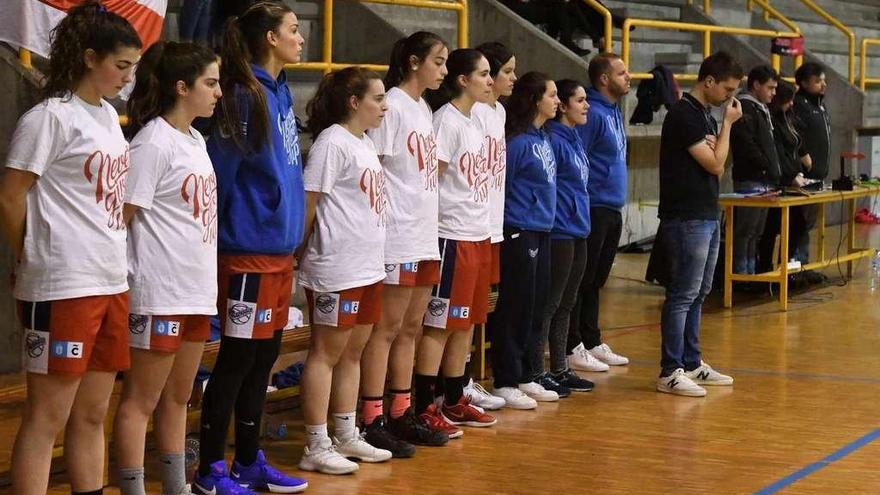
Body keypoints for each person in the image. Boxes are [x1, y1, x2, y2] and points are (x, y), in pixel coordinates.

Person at [0, 4, 140, 494]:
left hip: (109, 280)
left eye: (133, 68)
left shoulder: (106, 116)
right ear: (87, 58)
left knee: (93, 413)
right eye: (120, 66)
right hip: (62, 285)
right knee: (46, 417)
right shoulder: (49, 117)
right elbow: (11, 195)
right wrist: (32, 258)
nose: (128, 77)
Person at [194, 2, 308, 494]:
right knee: (236, 362)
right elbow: (218, 177)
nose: (301, 38)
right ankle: (209, 471)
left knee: (264, 362)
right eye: (293, 30)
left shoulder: (279, 93)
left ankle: (248, 460)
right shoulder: (242, 96)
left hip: (279, 253)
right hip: (245, 253)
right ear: (268, 38)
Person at [113, 41, 221, 495]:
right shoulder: (152, 142)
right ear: (182, 87)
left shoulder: (195, 139)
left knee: (179, 397)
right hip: (159, 291)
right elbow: (122, 218)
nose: (218, 93)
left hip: (197, 289)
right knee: (142, 400)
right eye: (210, 83)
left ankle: (176, 487)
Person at [297, 66, 394, 475]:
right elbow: (309, 203)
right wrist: (295, 254)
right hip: (336, 269)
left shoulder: (364, 143)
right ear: (354, 102)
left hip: (367, 267)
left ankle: (346, 432)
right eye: (377, 98)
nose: (384, 106)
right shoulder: (332, 143)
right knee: (326, 353)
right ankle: (315, 443)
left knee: (353, 353)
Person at [358, 31, 450, 458]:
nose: (444, 71)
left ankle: (401, 411)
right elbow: (373, 169)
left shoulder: (424, 108)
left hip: (423, 234)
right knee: (387, 329)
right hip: (397, 235)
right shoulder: (391, 105)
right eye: (438, 61)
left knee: (411, 328)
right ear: (414, 62)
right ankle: (373, 417)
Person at [414, 48, 498, 435]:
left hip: (477, 232)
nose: (490, 81)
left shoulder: (477, 120)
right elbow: (433, 181)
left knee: (465, 323)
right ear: (462, 80)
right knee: (440, 324)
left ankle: (454, 397)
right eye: (483, 74)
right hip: (451, 235)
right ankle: (424, 404)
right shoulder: (444, 121)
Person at [656, 51, 742, 397]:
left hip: (706, 213)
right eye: (728, 89)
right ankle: (669, 370)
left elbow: (720, 156)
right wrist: (727, 127)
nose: (730, 97)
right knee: (682, 295)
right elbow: (716, 165)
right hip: (686, 217)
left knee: (700, 292)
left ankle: (691, 362)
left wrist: (719, 139)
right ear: (709, 81)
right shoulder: (684, 115)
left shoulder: (704, 115)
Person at [489, 71, 562, 403]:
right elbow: (502, 187)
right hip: (519, 229)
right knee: (516, 305)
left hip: (543, 229)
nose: (557, 101)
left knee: (536, 304)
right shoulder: (517, 143)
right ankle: (506, 378)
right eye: (552, 94)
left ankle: (528, 373)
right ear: (536, 100)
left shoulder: (543, 137)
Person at [568, 53, 631, 372]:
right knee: (582, 278)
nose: (628, 76)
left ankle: (591, 339)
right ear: (604, 79)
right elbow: (579, 157)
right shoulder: (591, 113)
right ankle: (573, 342)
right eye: (621, 72)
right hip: (593, 205)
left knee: (596, 280)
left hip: (612, 206)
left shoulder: (614, 111)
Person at [467, 41, 517, 410]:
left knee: (481, 307)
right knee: (458, 312)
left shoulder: (498, 112)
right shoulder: (469, 116)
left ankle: (466, 378)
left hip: (491, 225)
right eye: (506, 71)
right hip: (469, 226)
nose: (511, 78)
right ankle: (455, 382)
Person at [538, 79, 595, 393]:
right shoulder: (554, 140)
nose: (586, 106)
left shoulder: (574, 138)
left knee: (568, 302)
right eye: (580, 100)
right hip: (559, 231)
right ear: (563, 106)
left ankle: (561, 367)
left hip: (578, 229)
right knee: (552, 302)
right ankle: (540, 368)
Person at [730, 65, 780, 276]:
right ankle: (742, 275)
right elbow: (747, 144)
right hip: (751, 179)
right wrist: (765, 164)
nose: (773, 93)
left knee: (756, 232)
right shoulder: (744, 108)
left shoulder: (761, 109)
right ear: (756, 85)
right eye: (770, 87)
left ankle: (751, 273)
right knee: (745, 232)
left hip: (765, 179)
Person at [757, 80, 812, 274]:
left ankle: (786, 266)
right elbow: (777, 154)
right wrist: (790, 176)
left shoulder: (788, 118)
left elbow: (796, 145)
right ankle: (765, 269)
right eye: (788, 100)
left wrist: (801, 168)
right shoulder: (771, 120)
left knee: (796, 225)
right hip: (777, 183)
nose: (791, 104)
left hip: (792, 181)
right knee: (770, 230)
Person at [790, 62, 830, 284]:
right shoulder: (799, 106)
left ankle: (803, 266)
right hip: (803, 178)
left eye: (824, 80)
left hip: (819, 177)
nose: (823, 84)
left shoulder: (820, 106)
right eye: (818, 81)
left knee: (807, 226)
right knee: (797, 226)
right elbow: (795, 141)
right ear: (804, 83)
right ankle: (793, 269)